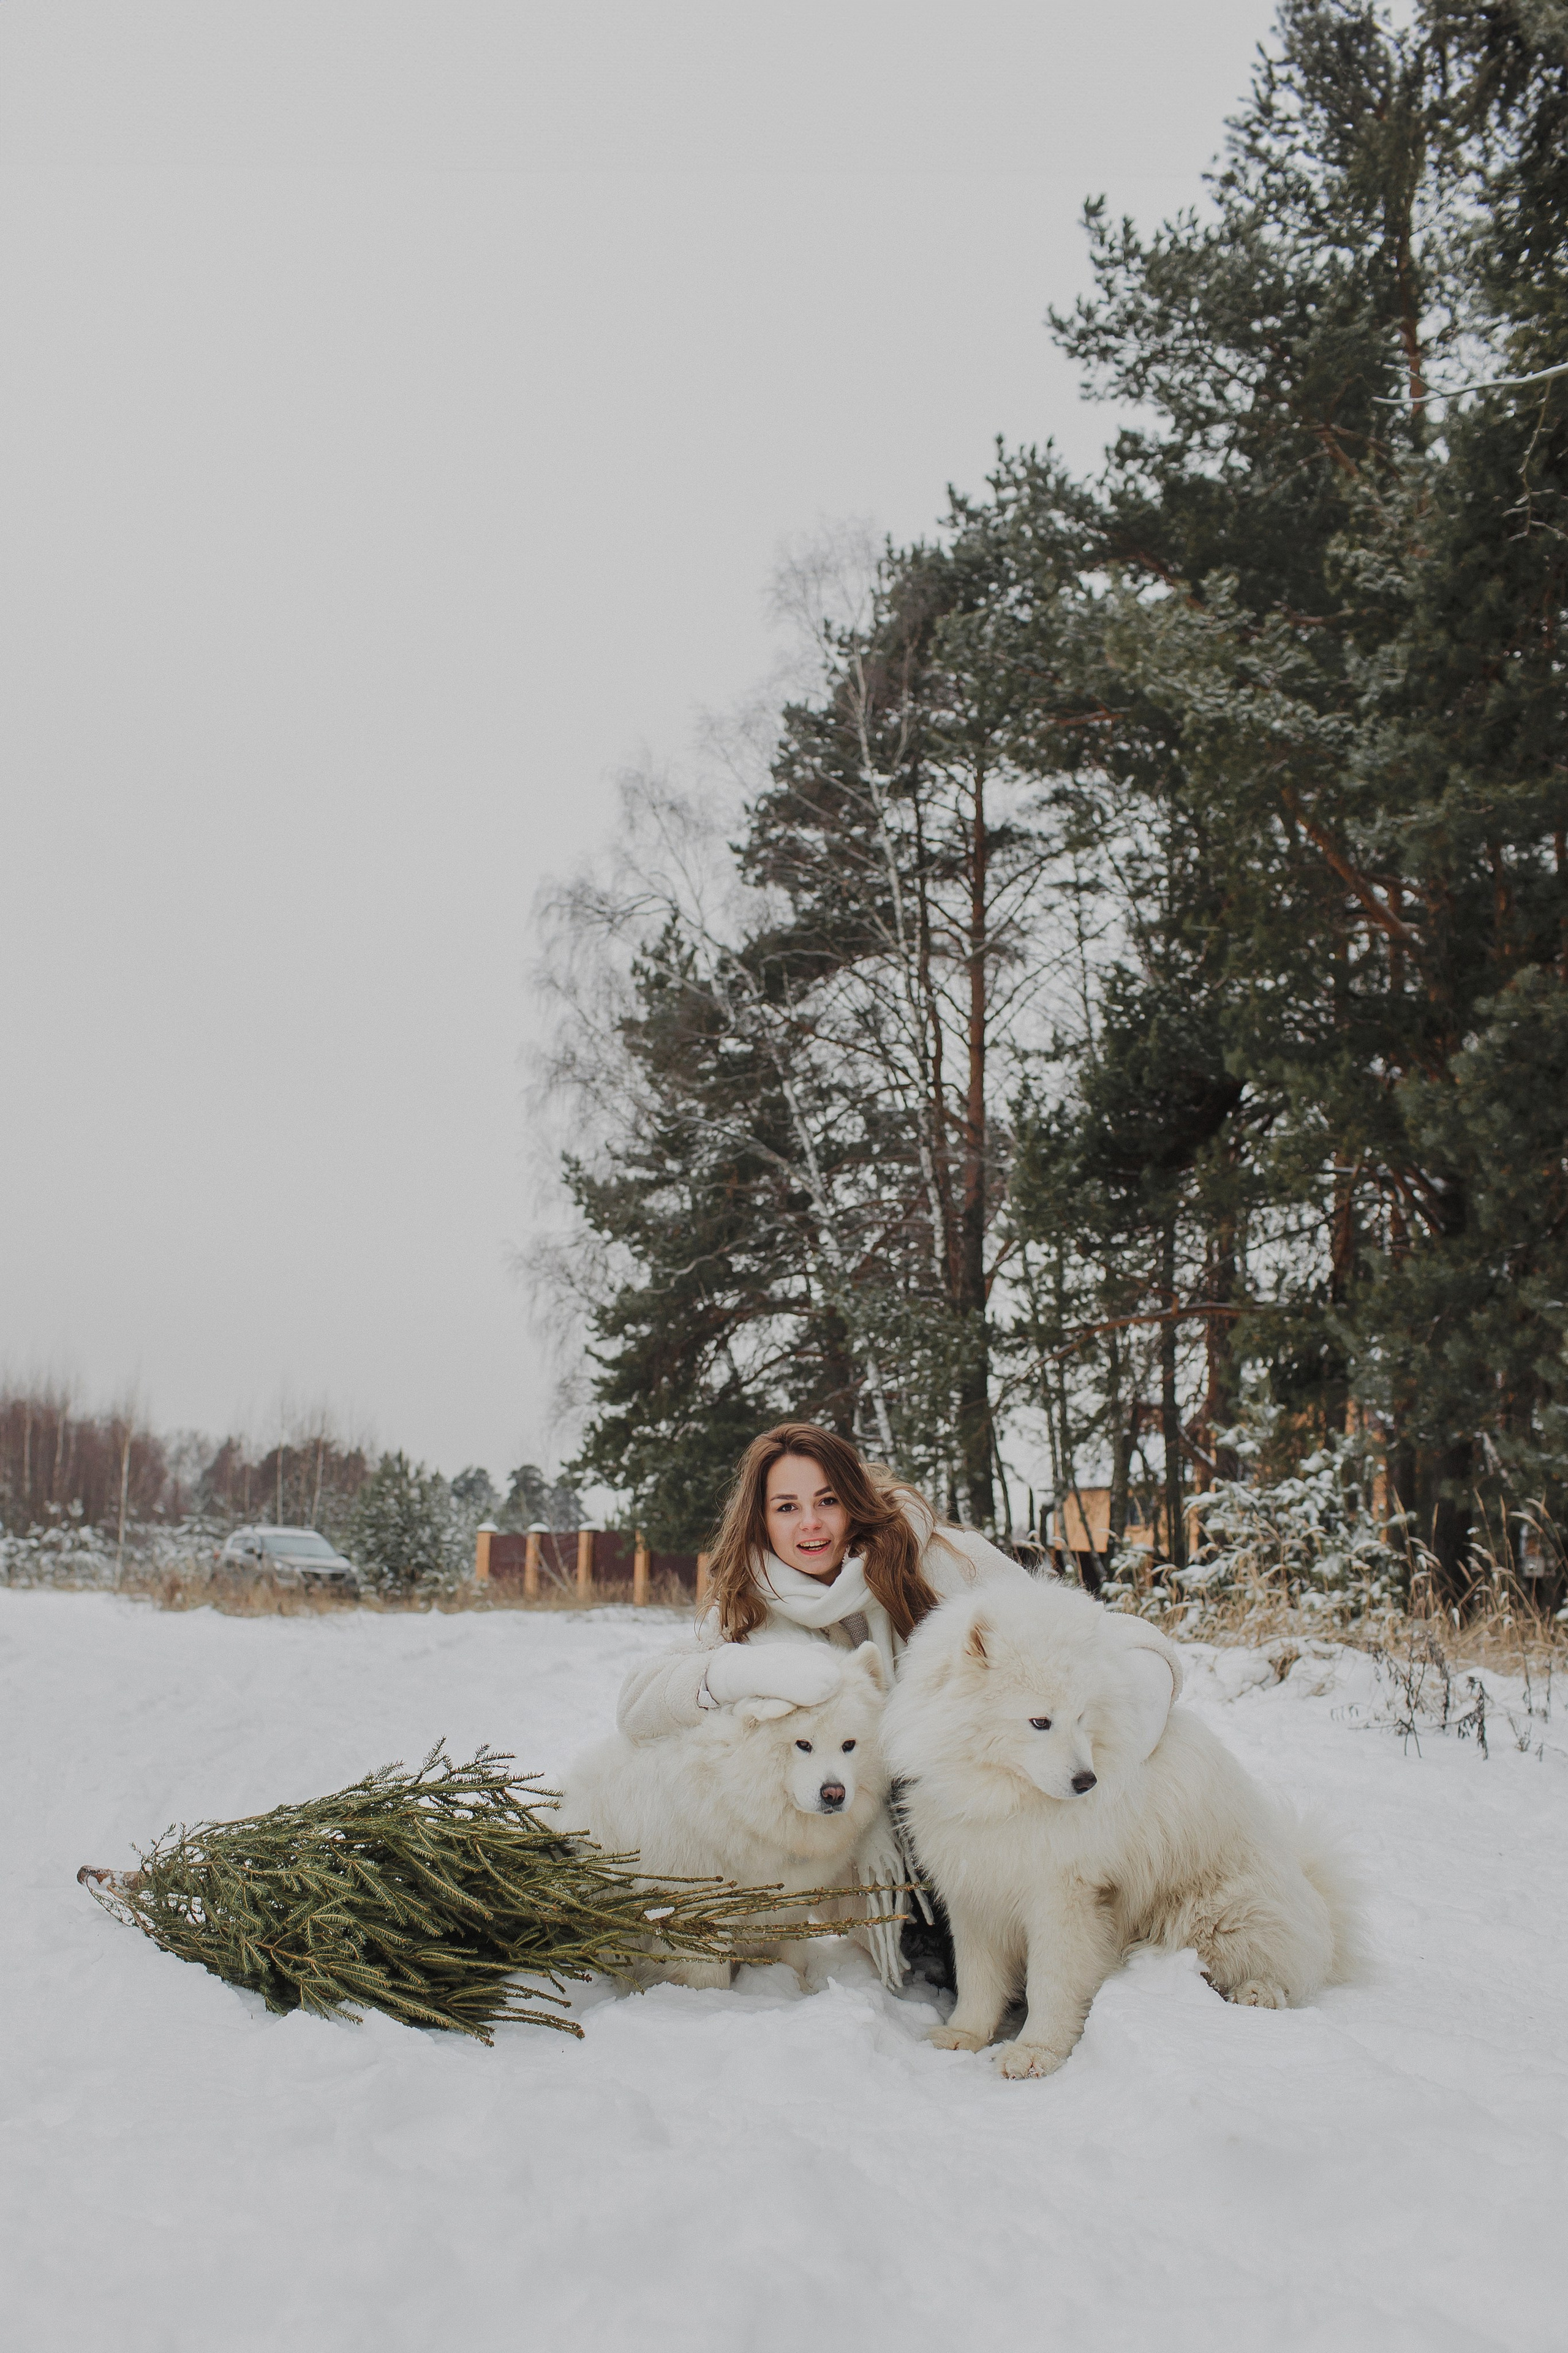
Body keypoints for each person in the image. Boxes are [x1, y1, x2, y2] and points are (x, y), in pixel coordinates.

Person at [615, 1422, 1181, 1984]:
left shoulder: (939, 1558)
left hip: (975, 1818)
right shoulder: (750, 1602)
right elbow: (638, 1707)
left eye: (827, 1501)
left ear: (854, 1502)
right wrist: (739, 1669)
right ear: (761, 1517)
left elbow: (1101, 1639)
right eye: (786, 1507)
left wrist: (1140, 1712)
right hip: (872, 1854)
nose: (809, 1523)